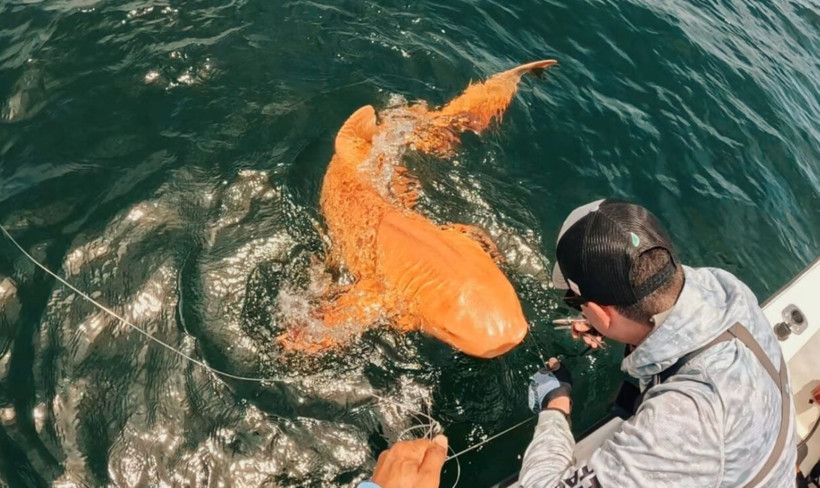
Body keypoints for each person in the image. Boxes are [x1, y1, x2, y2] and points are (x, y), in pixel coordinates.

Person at [359, 199, 797, 488]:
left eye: (575, 300)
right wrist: (623, 339)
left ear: (603, 311)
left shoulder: (684, 423)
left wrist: (556, 409)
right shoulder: (724, 292)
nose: (575, 309)